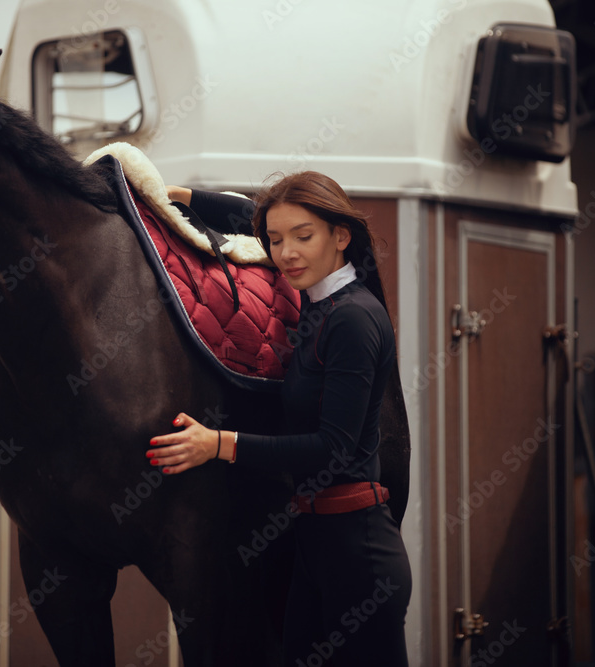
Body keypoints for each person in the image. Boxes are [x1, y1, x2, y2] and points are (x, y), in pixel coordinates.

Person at [147, 172, 412, 665]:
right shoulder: (321, 305)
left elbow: (333, 449)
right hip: (316, 546)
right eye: (275, 240)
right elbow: (253, 218)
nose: (286, 252)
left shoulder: (352, 318)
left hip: (358, 556)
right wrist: (182, 197)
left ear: (341, 236)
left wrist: (218, 444)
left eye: (303, 237)